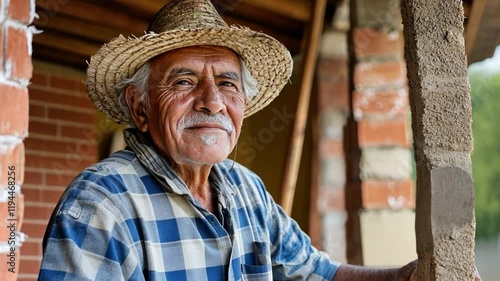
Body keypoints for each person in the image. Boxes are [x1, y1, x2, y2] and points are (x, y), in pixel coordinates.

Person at [38, 0, 478, 280]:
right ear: (141, 107)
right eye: (185, 80)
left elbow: (316, 274)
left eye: (228, 84)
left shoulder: (244, 188)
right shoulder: (101, 204)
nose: (211, 102)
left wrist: (406, 277)